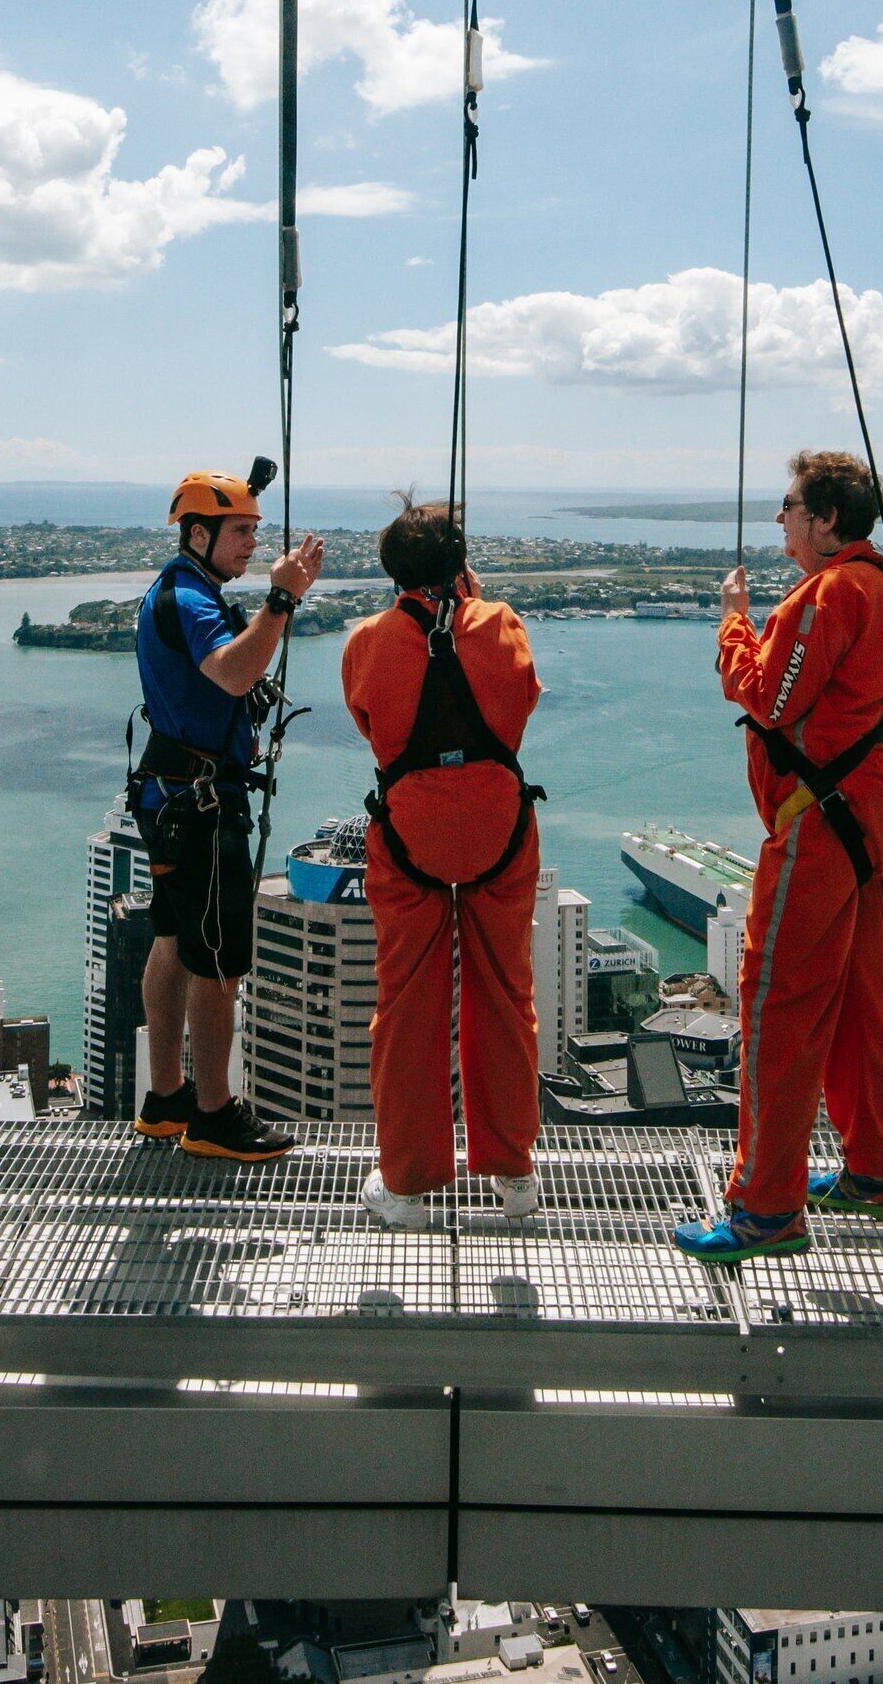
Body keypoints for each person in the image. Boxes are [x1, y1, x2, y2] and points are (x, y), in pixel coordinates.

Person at [676, 449, 883, 1262]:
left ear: (824, 519)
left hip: (821, 820)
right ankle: (875, 1171)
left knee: (777, 1008)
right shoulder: (878, 584)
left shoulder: (833, 591)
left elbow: (768, 696)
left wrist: (733, 621)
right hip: (867, 811)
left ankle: (765, 1207)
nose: (779, 518)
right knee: (861, 1001)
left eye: (788, 506)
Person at [340, 499, 547, 1229]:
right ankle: (513, 1172)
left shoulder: (366, 641)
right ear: (460, 566)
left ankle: (405, 1186)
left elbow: (371, 727)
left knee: (407, 1009)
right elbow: (522, 700)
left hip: (409, 837)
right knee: (503, 994)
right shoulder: (499, 623)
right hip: (497, 825)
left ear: (393, 570)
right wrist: (476, 603)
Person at [132, 465, 325, 1163]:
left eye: (252, 530)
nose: (251, 543)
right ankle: (212, 1116)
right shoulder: (191, 600)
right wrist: (281, 598)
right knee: (217, 961)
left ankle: (165, 1098)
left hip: (169, 793)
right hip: (203, 805)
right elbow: (234, 674)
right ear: (198, 532)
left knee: (173, 939)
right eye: (239, 531)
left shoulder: (181, 588)